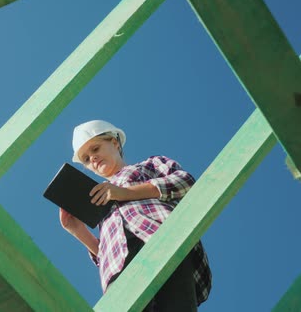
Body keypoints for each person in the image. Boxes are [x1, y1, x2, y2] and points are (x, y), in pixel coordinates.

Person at [60, 120, 212, 311]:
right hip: (119, 270)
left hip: (162, 243)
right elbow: (110, 252)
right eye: (87, 159)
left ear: (115, 143)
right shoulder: (100, 201)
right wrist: (77, 231)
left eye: (96, 149)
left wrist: (125, 193)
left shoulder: (148, 166)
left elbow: (184, 181)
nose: (93, 159)